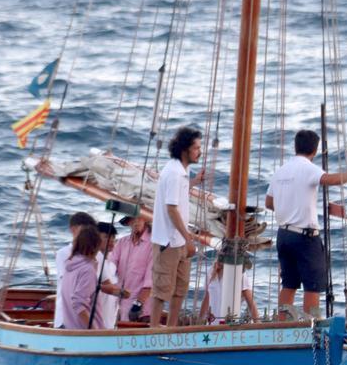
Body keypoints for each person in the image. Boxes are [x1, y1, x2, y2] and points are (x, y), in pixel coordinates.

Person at [265, 129, 347, 318]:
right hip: (305, 237)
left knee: (288, 284)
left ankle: (280, 324)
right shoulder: (308, 168)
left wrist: (289, 208)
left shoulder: (280, 171)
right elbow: (329, 180)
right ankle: (310, 328)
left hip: (284, 235)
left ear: (295, 146)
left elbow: (269, 203)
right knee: (312, 286)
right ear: (315, 150)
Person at [149, 126, 205, 327]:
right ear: (185, 150)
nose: (200, 152)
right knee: (162, 290)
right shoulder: (173, 172)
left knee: (180, 289)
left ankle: (171, 329)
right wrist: (189, 238)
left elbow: (177, 194)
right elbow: (171, 208)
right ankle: (154, 330)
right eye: (197, 148)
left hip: (179, 240)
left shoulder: (182, 171)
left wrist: (194, 182)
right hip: (168, 242)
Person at [53, 211, 98, 328]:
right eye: (85, 230)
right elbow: (75, 294)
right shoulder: (63, 254)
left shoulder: (81, 259)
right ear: (73, 229)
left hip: (77, 317)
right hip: (71, 318)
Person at [109, 214, 153, 324]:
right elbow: (110, 266)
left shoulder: (153, 245)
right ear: (128, 222)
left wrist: (138, 304)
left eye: (139, 217)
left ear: (146, 220)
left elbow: (150, 281)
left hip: (140, 310)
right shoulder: (121, 243)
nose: (136, 221)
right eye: (133, 218)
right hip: (119, 304)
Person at [92, 221, 130, 329]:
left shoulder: (111, 264)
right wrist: (118, 292)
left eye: (113, 237)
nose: (111, 240)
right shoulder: (93, 260)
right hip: (96, 323)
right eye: (106, 237)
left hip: (109, 322)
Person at [199, 258, 259, 325]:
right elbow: (207, 298)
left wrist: (258, 323)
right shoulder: (210, 272)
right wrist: (199, 322)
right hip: (211, 324)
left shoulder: (238, 274)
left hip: (230, 326)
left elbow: (250, 301)